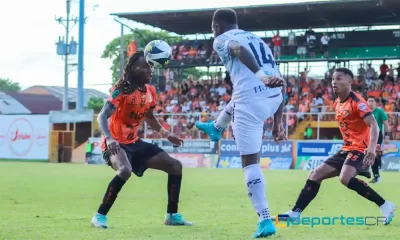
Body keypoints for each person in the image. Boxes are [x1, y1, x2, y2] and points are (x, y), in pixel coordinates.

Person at [197, 8, 286, 238]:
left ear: (217, 26)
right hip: (273, 99)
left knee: (250, 163)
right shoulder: (258, 39)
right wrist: (278, 122)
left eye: (212, 28)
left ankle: (265, 219)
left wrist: (260, 76)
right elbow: (280, 80)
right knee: (237, 94)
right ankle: (216, 127)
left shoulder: (221, 39)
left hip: (251, 104)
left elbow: (239, 50)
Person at [275, 68, 395, 225]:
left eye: (339, 78)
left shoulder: (358, 102)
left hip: (360, 149)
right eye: (333, 79)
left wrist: (372, 148)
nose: (334, 82)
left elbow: (374, 125)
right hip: (346, 149)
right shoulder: (337, 103)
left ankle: (385, 205)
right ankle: (295, 213)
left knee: (345, 178)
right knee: (315, 174)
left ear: (350, 82)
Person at [91, 51, 192, 228]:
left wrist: (166, 134)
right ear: (133, 69)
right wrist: (109, 138)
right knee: (124, 170)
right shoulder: (121, 89)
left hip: (134, 143)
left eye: (151, 66)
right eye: (145, 66)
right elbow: (102, 116)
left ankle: (172, 215)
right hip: (115, 143)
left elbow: (149, 116)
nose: (150, 70)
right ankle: (99, 216)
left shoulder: (150, 91)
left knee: (175, 166)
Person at [367, 96, 390, 183]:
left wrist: (387, 136)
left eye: (372, 101)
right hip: (367, 135)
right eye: (369, 101)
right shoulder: (365, 112)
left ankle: (376, 175)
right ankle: (375, 172)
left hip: (377, 135)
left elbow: (386, 124)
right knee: (369, 154)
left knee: (373, 154)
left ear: (375, 103)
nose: (370, 103)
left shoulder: (380, 112)